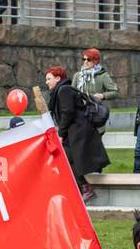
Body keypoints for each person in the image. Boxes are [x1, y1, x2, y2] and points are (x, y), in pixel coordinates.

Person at [46, 66, 108, 204]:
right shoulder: (61, 90)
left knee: (68, 159)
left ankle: (85, 189)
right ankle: (83, 188)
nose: (47, 82)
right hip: (75, 131)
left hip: (78, 131)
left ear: (58, 78)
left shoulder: (64, 90)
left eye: (49, 79)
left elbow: (67, 112)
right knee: (69, 159)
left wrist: (60, 134)